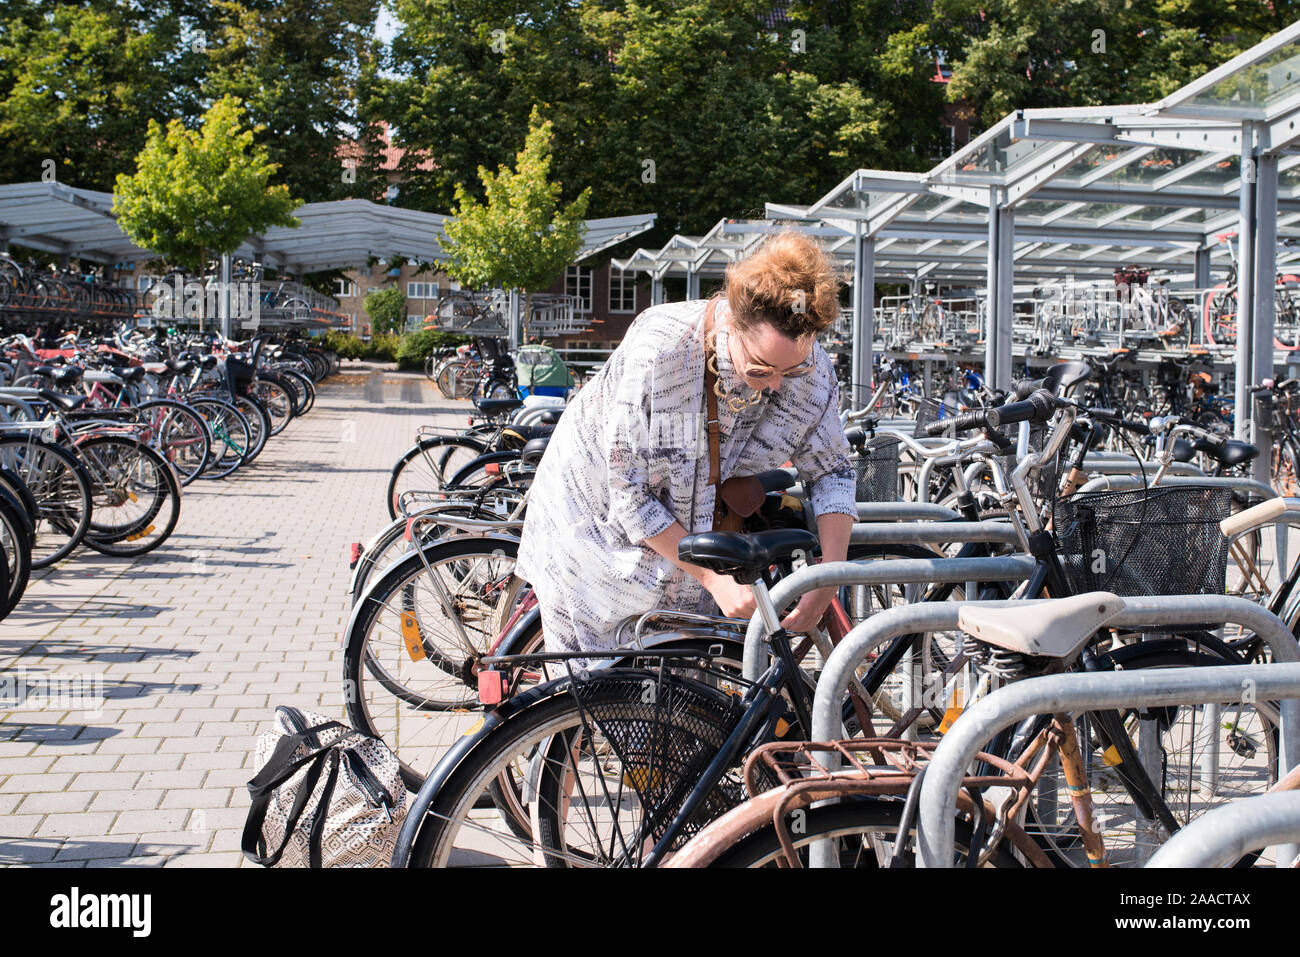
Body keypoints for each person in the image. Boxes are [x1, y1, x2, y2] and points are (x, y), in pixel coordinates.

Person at [515, 231, 856, 654]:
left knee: (687, 697)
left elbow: (833, 470)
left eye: (794, 370)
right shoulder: (662, 351)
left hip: (691, 547)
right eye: (760, 369)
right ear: (732, 321)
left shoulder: (813, 371)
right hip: (592, 529)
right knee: (597, 691)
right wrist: (714, 581)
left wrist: (829, 575)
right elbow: (629, 492)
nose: (777, 385)